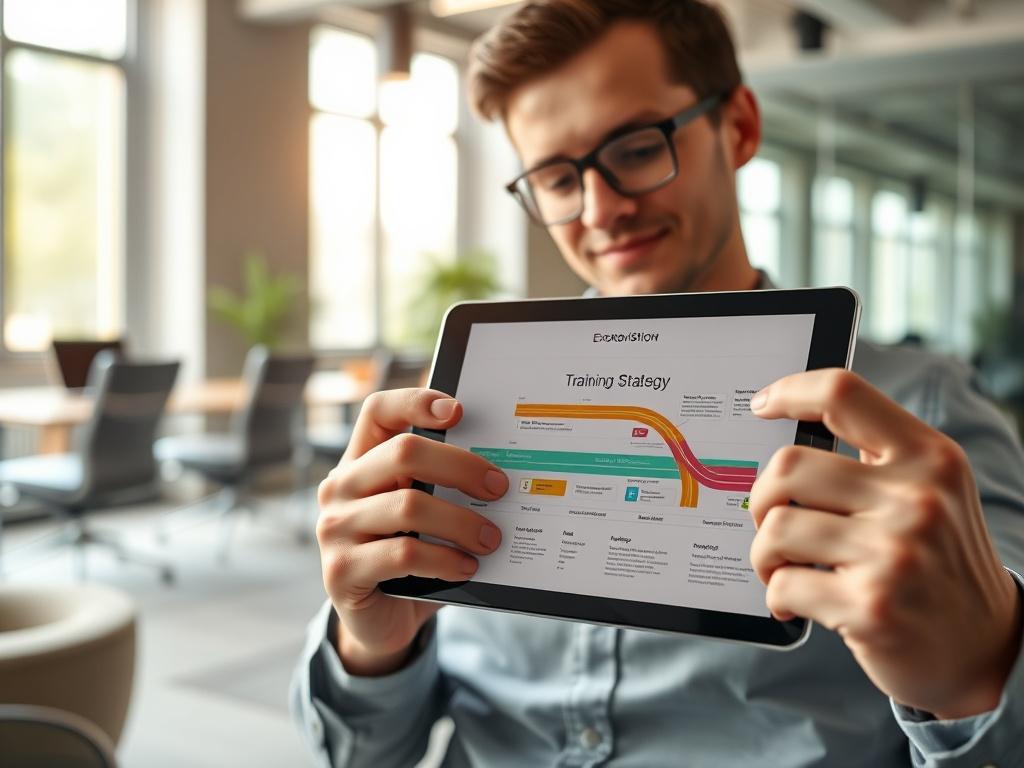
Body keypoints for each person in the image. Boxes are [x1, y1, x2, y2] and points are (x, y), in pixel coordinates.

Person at [292, 2, 1024, 765]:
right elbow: (363, 754)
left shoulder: (922, 415)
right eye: (556, 177)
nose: (602, 209)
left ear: (737, 127)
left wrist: (977, 673)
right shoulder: (467, 400)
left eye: (637, 148)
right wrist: (370, 647)